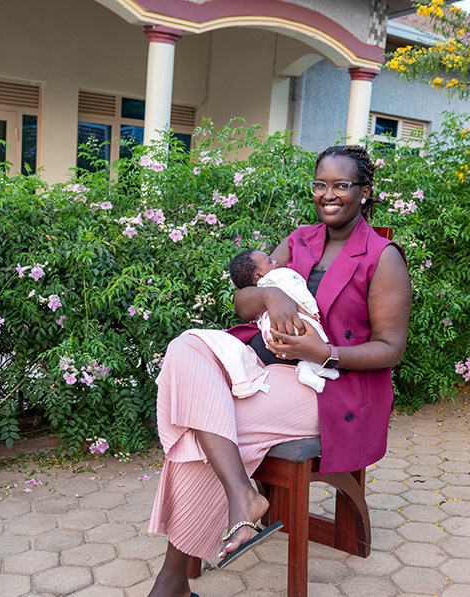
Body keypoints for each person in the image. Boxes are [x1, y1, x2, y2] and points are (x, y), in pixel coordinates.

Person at [147, 145, 412, 597]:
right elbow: (244, 301)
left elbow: (391, 349)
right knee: (185, 346)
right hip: (269, 363)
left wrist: (323, 351)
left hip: (331, 386)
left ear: (365, 192)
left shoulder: (382, 257)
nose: (329, 195)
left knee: (207, 430)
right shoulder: (298, 241)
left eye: (342, 185)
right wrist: (272, 296)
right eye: (321, 184)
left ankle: (172, 583)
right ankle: (242, 498)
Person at [228, 248, 339, 392]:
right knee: (311, 335)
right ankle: (317, 366)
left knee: (298, 348)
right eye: (270, 261)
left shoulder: (259, 287)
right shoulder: (278, 276)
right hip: (291, 325)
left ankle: (306, 369)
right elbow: (298, 291)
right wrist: (312, 310)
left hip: (270, 336)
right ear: (258, 275)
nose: (276, 263)